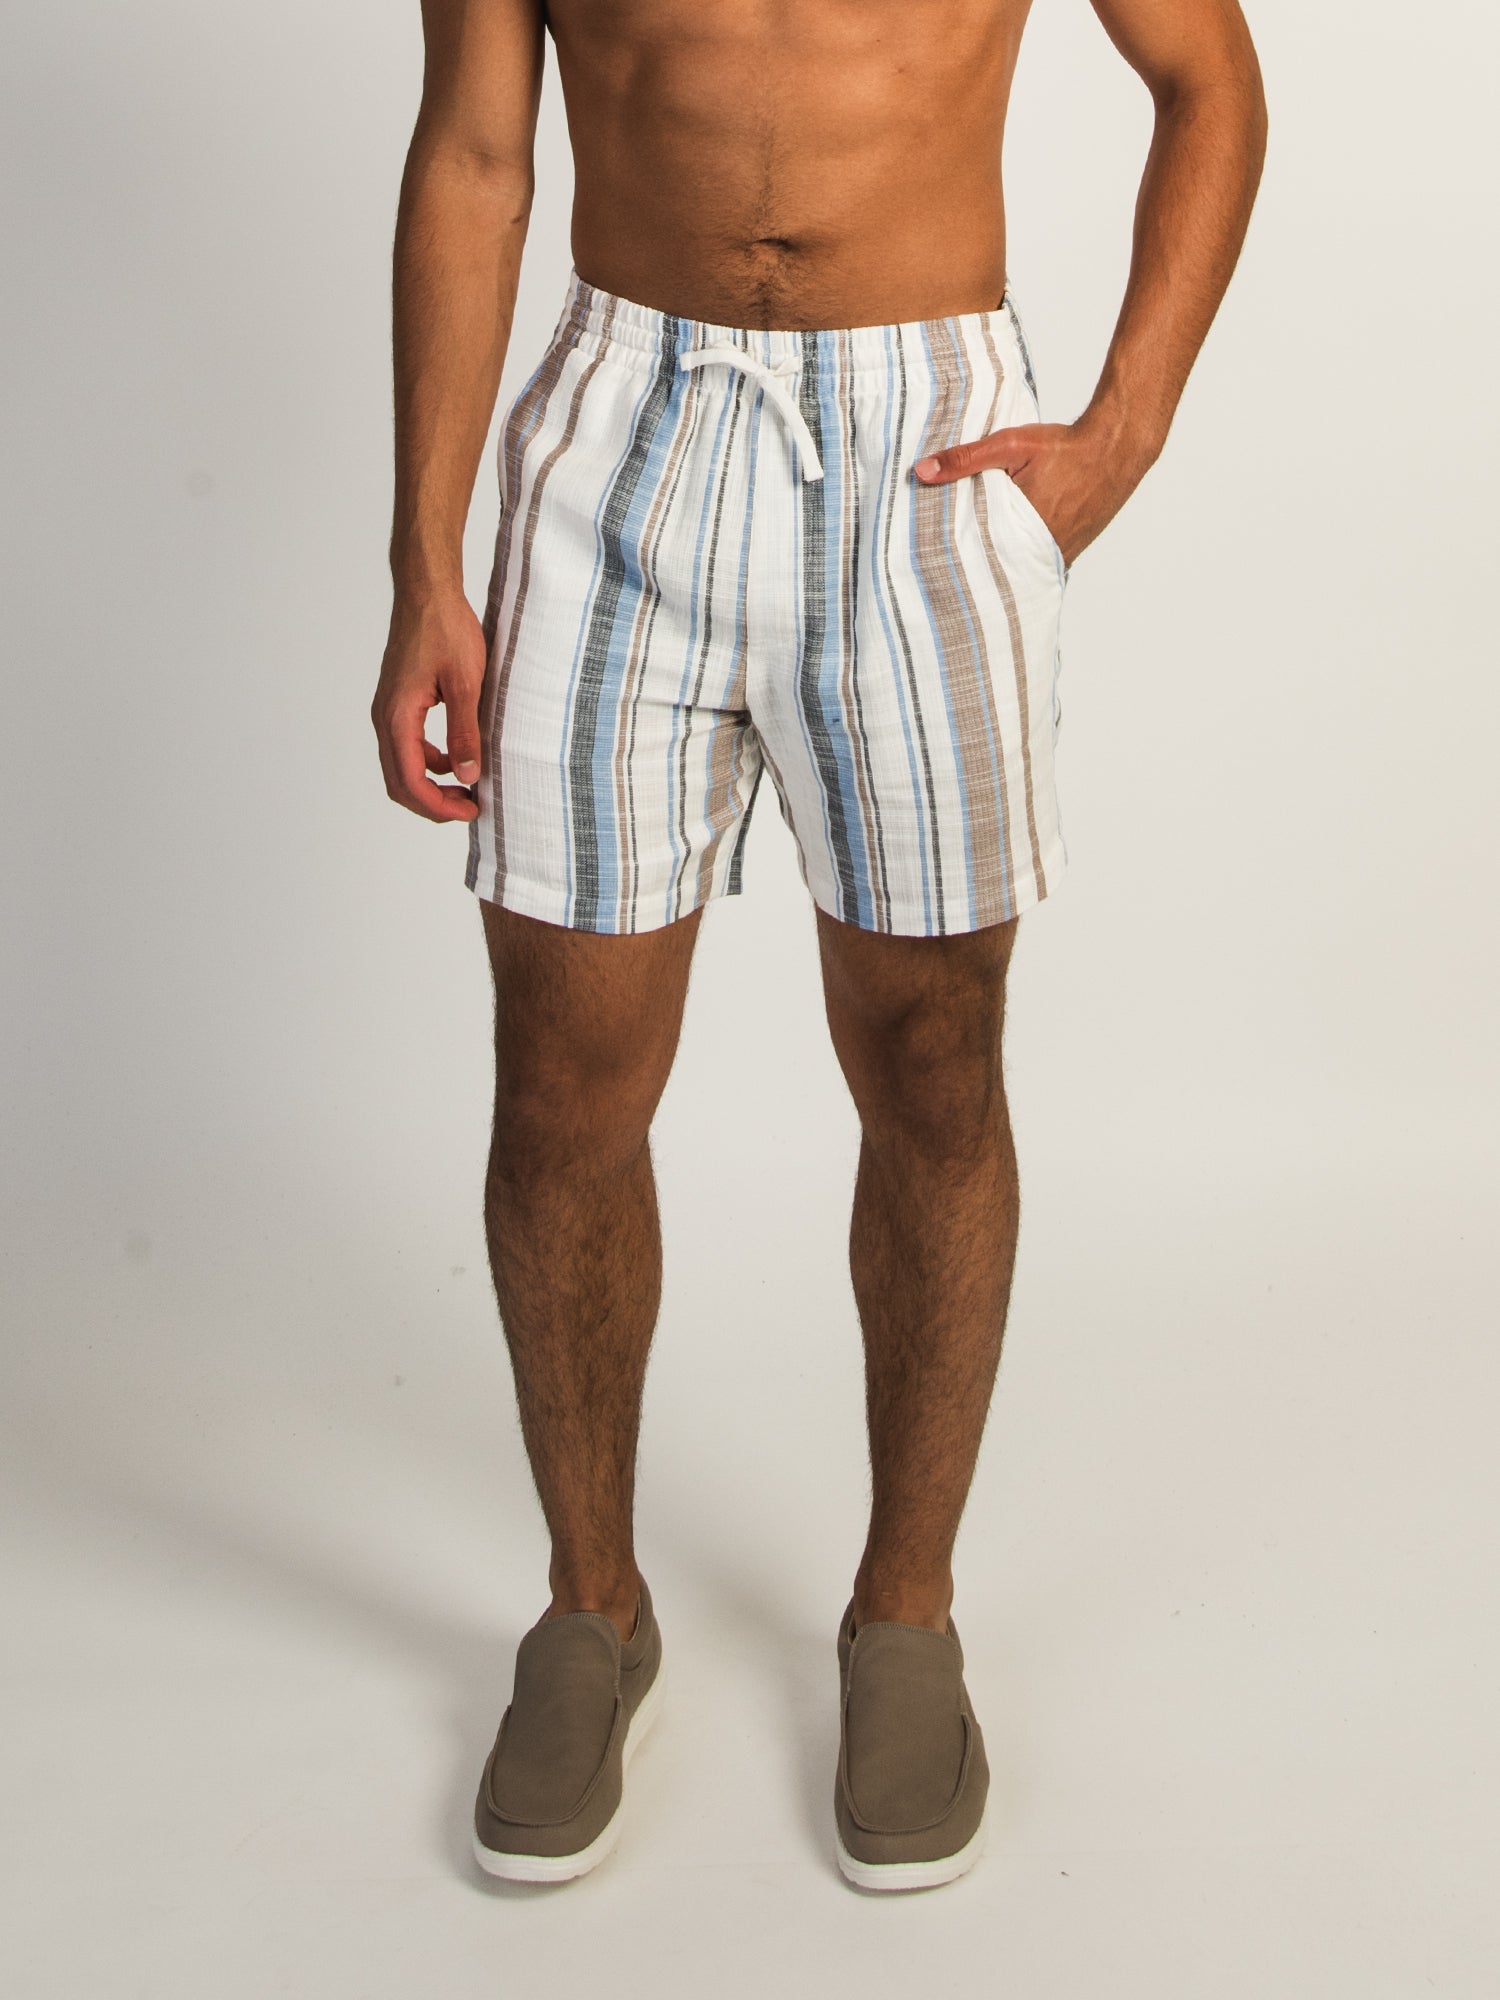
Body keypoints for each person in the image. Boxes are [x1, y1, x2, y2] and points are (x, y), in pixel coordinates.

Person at [371, 0, 1266, 1891]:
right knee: (561, 1079)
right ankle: (591, 1608)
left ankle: (907, 1615)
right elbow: (473, 152)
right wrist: (424, 563)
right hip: (619, 435)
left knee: (935, 1059)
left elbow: (1208, 78)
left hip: (926, 437)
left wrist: (1121, 435)